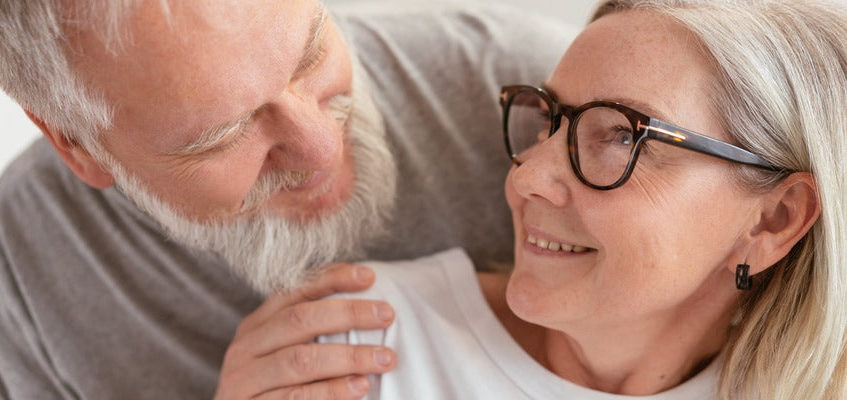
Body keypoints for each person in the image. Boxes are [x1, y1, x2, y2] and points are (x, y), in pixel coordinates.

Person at [0, 0, 574, 399]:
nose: (323, 147)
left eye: (310, 54)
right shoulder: (23, 282)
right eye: (223, 134)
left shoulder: (543, 107)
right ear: (77, 145)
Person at [320, 0, 847, 398]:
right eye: (550, 120)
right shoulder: (362, 347)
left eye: (622, 136)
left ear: (773, 220)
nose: (526, 178)